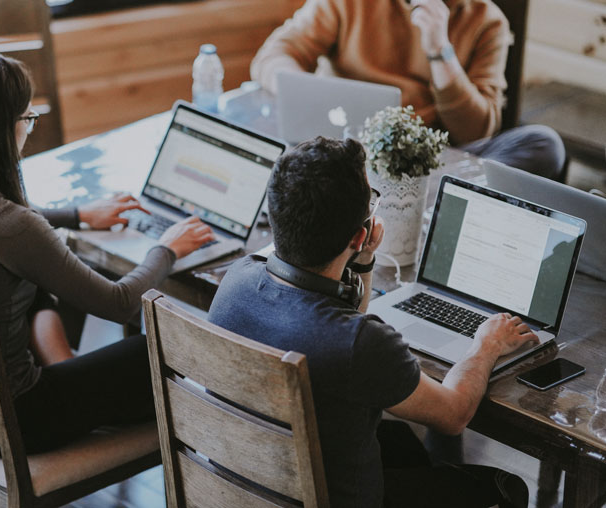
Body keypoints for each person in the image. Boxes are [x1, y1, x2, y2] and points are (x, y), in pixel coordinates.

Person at [0, 54, 215, 455]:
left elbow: (6, 228)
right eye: (27, 119)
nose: (29, 130)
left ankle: (66, 370)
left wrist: (78, 215)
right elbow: (117, 303)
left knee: (33, 282)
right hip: (8, 421)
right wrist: (167, 247)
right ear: (1, 129)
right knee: (148, 352)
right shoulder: (7, 225)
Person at [207, 137, 537, 507]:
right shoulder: (361, 343)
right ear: (359, 234)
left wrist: (361, 262)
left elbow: (341, 331)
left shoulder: (235, 281)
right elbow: (454, 414)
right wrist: (486, 344)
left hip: (246, 485)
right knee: (507, 488)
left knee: (403, 445)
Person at [251, 0, 566, 180]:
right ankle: (434, 206)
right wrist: (311, 94)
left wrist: (440, 49)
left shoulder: (487, 21)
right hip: (344, 148)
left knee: (544, 144)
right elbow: (273, 55)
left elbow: (477, 129)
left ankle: (428, 204)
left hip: (430, 164)